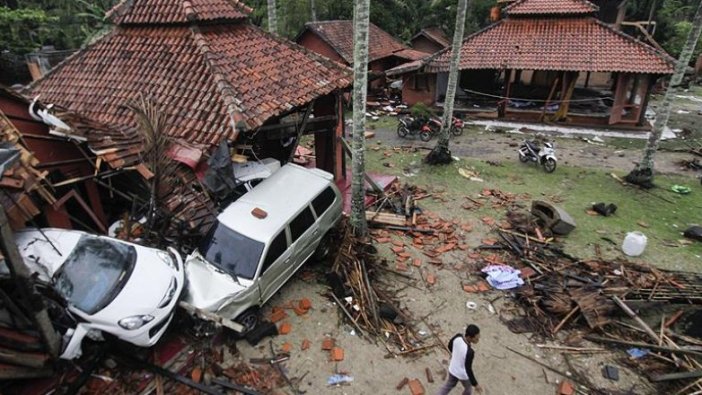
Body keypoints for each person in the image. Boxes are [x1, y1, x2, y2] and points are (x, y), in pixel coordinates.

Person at [436, 324, 482, 395]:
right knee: (468, 389)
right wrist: (475, 384)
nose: (478, 340)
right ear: (469, 337)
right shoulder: (470, 352)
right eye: (476, 338)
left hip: (453, 369)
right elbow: (468, 369)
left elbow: (449, 345)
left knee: (447, 386)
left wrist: (455, 355)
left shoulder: (458, 337)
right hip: (462, 374)